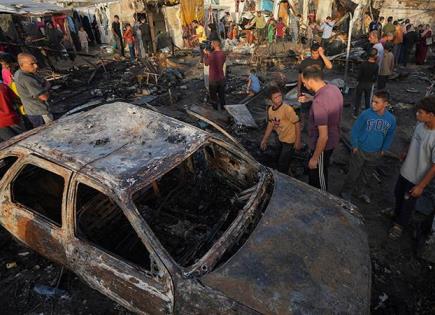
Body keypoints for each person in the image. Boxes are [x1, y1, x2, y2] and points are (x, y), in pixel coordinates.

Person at [389, 96, 435, 240]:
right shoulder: (420, 126)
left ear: (431, 115)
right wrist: (407, 151)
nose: (417, 115)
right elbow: (414, 139)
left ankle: (399, 225)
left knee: (408, 203)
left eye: (420, 112)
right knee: (398, 193)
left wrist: (421, 186)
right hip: (406, 170)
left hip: (417, 178)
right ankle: (395, 212)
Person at [341, 91, 396, 203]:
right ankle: (345, 192)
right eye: (372, 101)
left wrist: (384, 149)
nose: (373, 104)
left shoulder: (391, 119)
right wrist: (355, 145)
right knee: (353, 173)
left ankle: (359, 192)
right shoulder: (366, 114)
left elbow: (390, 135)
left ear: (385, 104)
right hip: (360, 150)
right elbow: (355, 130)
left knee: (366, 174)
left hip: (376, 152)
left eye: (377, 102)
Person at [298, 65, 343, 191]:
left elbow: (323, 137)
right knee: (316, 173)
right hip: (334, 138)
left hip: (323, 146)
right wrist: (312, 98)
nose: (305, 86)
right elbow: (328, 104)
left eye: (304, 82)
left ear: (311, 81)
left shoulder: (319, 103)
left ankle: (323, 200)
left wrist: (314, 158)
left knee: (320, 176)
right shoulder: (333, 89)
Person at [261, 86, 301, 174]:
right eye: (275, 97)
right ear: (270, 100)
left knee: (283, 162)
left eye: (280, 96)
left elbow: (297, 123)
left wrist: (298, 141)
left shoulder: (287, 109)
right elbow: (270, 124)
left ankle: (284, 176)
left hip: (290, 139)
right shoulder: (270, 110)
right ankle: (287, 169)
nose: (279, 99)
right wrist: (265, 139)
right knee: (277, 156)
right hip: (280, 137)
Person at [297, 43, 333, 128]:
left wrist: (322, 54)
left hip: (318, 90)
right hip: (305, 89)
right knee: (304, 108)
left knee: (316, 108)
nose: (315, 55)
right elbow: (299, 77)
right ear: (310, 52)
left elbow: (330, 66)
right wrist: (298, 90)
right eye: (313, 53)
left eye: (316, 53)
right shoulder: (305, 62)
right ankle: (302, 124)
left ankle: (315, 125)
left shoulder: (321, 60)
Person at [13, 53, 52, 128]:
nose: (36, 66)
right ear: (22, 65)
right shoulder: (26, 78)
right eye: (32, 64)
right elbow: (44, 97)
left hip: (32, 111)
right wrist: (47, 87)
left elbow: (42, 81)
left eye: (36, 63)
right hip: (39, 112)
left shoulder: (20, 73)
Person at [353, 48, 378, 117]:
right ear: (375, 55)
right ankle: (368, 113)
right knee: (368, 99)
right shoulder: (376, 65)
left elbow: (359, 75)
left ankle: (356, 113)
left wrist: (357, 81)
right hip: (369, 84)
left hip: (361, 83)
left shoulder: (363, 64)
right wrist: (373, 82)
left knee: (358, 98)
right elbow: (375, 76)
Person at [204, 40, 226, 110]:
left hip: (213, 79)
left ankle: (215, 110)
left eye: (212, 44)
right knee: (222, 95)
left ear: (214, 45)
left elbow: (206, 63)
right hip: (221, 78)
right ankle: (223, 109)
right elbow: (223, 61)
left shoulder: (212, 54)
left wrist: (206, 54)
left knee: (213, 97)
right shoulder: (223, 54)